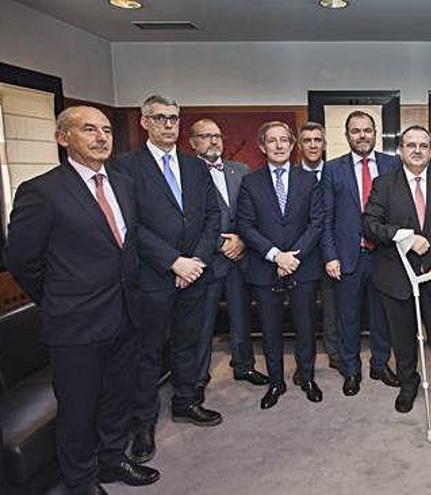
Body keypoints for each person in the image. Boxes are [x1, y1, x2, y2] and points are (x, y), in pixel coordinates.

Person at [6, 106, 160, 495]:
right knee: (77, 409)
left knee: (117, 397)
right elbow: (23, 260)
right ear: (63, 138)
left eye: (106, 130)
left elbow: (128, 246)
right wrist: (59, 297)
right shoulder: (41, 191)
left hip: (125, 314)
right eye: (88, 129)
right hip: (75, 324)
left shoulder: (123, 184)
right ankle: (81, 482)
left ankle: (112, 459)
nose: (101, 137)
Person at [113, 95, 222, 464]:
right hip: (153, 277)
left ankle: (186, 401)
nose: (168, 125)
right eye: (159, 118)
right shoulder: (125, 167)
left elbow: (212, 217)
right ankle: (143, 423)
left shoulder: (195, 167)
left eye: (174, 118)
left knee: (189, 343)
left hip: (196, 273)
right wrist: (173, 262)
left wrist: (196, 261)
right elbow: (131, 225)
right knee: (148, 352)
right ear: (144, 122)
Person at [363, 125, 431, 415]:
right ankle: (408, 385)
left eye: (424, 145)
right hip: (396, 279)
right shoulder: (384, 183)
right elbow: (370, 225)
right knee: (403, 338)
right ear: (400, 149)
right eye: (411, 145)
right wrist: (404, 236)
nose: (417, 150)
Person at [237, 121, 324, 408]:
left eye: (284, 140)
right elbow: (245, 226)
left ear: (291, 144)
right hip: (265, 267)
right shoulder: (250, 182)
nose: (278, 145)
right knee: (270, 329)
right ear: (262, 147)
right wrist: (276, 255)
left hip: (303, 265)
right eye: (272, 141)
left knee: (306, 326)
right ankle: (276, 383)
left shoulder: (309, 180)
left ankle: (308, 377)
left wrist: (294, 256)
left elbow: (317, 223)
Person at [321, 111, 400, 396]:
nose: (362, 135)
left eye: (367, 130)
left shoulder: (393, 164)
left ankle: (380, 364)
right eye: (356, 131)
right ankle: (351, 370)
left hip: (384, 256)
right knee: (348, 318)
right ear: (346, 136)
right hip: (347, 258)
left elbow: (400, 211)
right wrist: (330, 256)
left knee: (383, 318)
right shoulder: (332, 169)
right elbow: (325, 217)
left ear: (375, 133)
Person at [189, 119, 268, 399]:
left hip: (240, 258)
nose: (213, 141)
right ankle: (197, 378)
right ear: (192, 142)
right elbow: (187, 221)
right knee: (203, 324)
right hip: (207, 261)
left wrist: (243, 240)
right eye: (206, 136)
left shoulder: (241, 171)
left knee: (241, 316)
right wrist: (222, 242)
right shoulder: (186, 173)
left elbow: (253, 212)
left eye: (217, 136)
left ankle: (244, 365)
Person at [297, 121, 344, 375]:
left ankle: (335, 354)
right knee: (303, 312)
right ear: (300, 145)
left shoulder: (336, 171)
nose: (313, 145)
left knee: (332, 308)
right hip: (301, 254)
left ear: (325, 145)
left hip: (329, 251)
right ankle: (305, 362)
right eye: (307, 140)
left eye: (318, 140)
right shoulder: (291, 175)